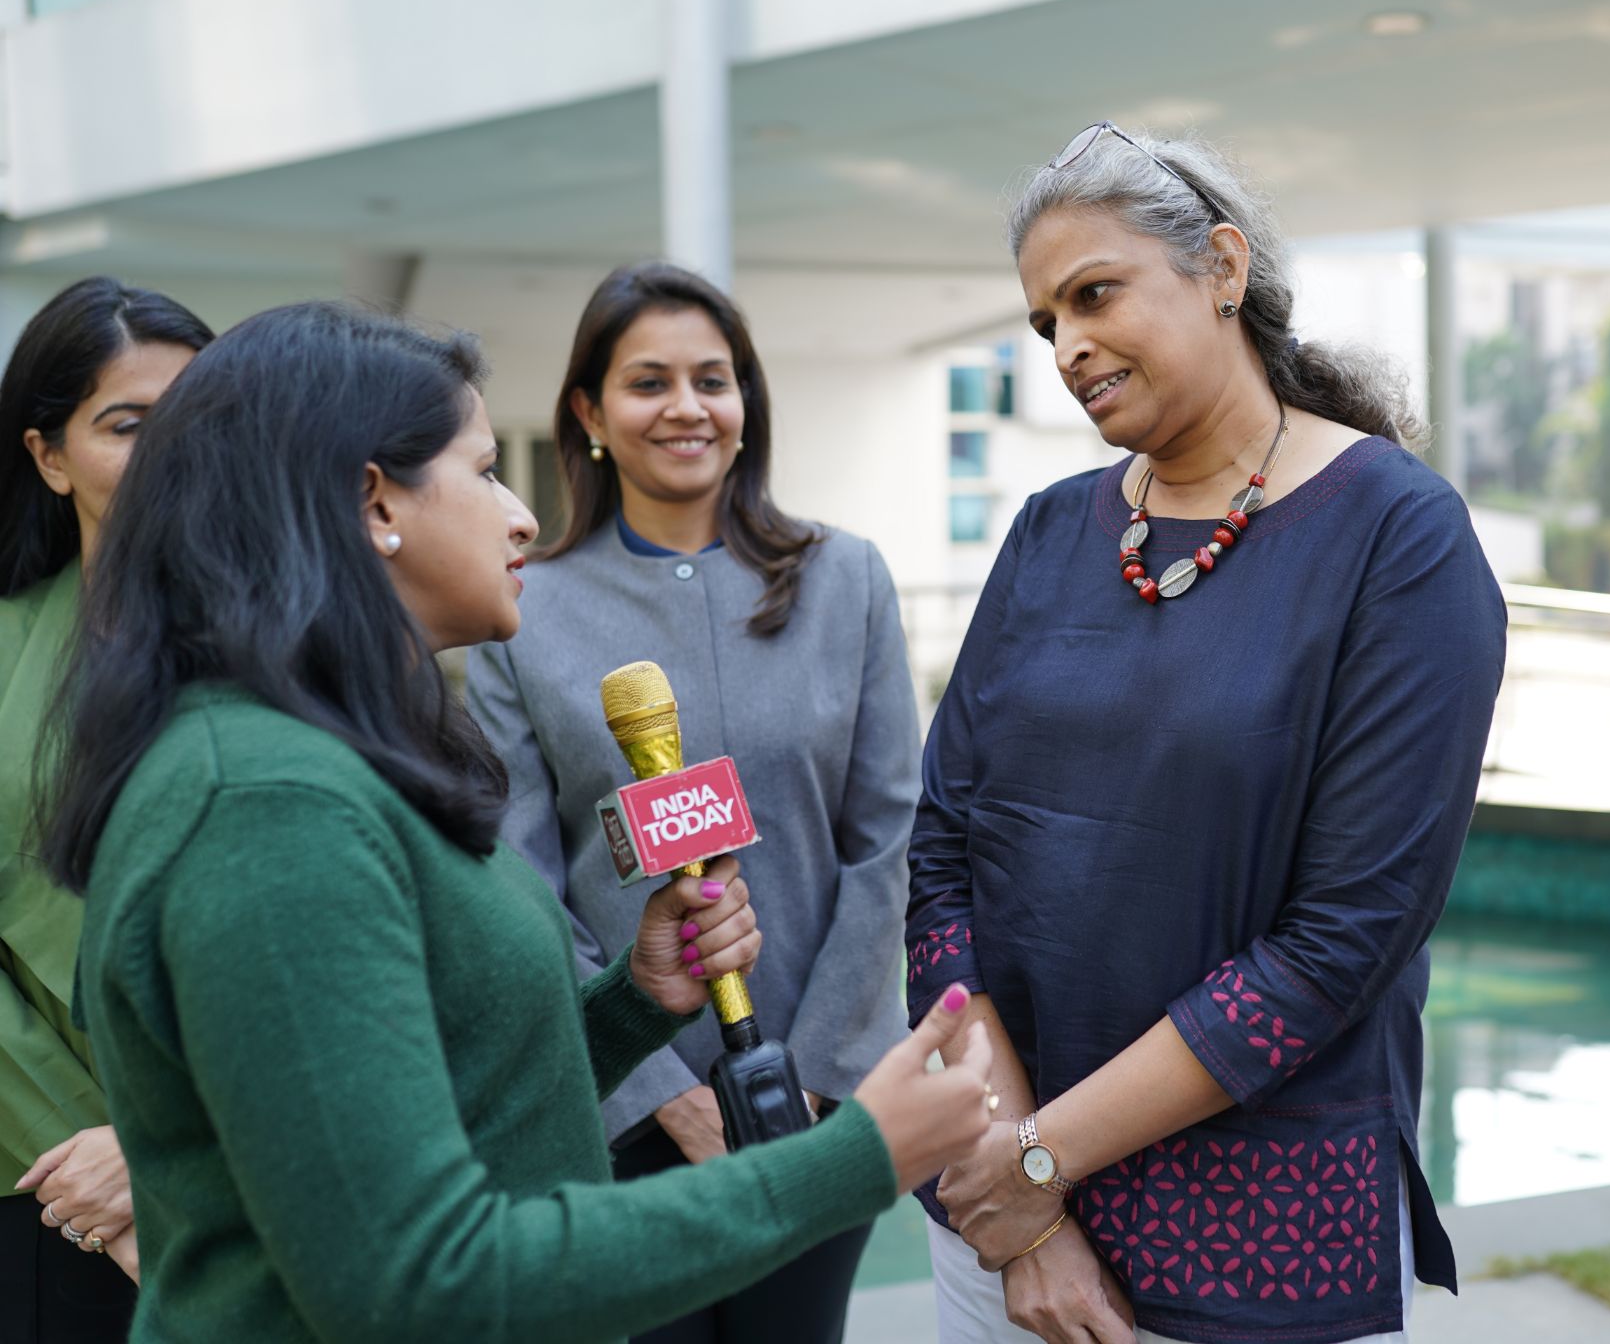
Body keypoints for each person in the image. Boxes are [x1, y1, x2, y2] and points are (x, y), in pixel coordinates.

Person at [36, 300, 994, 1343]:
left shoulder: (329, 754)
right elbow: (418, 1279)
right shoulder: (268, 813)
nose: (522, 516)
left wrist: (634, 1002)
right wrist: (853, 1160)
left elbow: (441, 1091)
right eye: (486, 471)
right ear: (374, 502)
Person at [906, 124, 1507, 1344]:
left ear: (1223, 267)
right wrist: (1023, 1203)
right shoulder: (1048, 531)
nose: (1067, 347)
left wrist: (1038, 1160)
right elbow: (942, 859)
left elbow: (1340, 941)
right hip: (996, 1233)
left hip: (1252, 1251)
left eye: (1094, 294)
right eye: (1045, 322)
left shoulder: (1399, 539)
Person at [465, 261, 919, 1344]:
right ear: (589, 413)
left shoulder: (846, 580)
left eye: (712, 380)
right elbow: (521, 877)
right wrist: (661, 1092)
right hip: (618, 1106)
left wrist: (810, 1083)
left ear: (745, 402)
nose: (686, 407)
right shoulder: (522, 607)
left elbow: (887, 838)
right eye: (648, 381)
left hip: (813, 1110)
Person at [1, 276, 212, 1337]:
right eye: (127, 425)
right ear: (48, 456)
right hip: (46, 1181)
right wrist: (96, 1148)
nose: (169, 451)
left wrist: (167, 1137)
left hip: (262, 1165)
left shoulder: (315, 637)